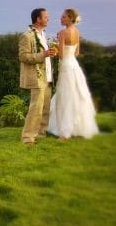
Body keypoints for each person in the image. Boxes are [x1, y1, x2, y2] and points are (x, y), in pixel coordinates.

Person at [47, 8, 99, 140]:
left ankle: (65, 132)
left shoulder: (63, 33)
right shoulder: (76, 31)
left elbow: (61, 55)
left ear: (70, 18)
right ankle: (77, 127)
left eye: (63, 17)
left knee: (66, 96)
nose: (61, 19)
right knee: (75, 94)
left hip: (66, 66)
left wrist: (55, 47)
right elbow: (77, 52)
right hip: (74, 65)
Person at [19, 8, 57, 146]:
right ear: (38, 19)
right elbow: (23, 57)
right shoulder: (27, 36)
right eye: (46, 17)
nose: (48, 19)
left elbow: (45, 55)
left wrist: (49, 54)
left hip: (47, 76)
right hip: (36, 77)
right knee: (36, 108)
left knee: (45, 108)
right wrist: (44, 55)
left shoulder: (43, 34)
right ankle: (28, 138)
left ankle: (41, 133)